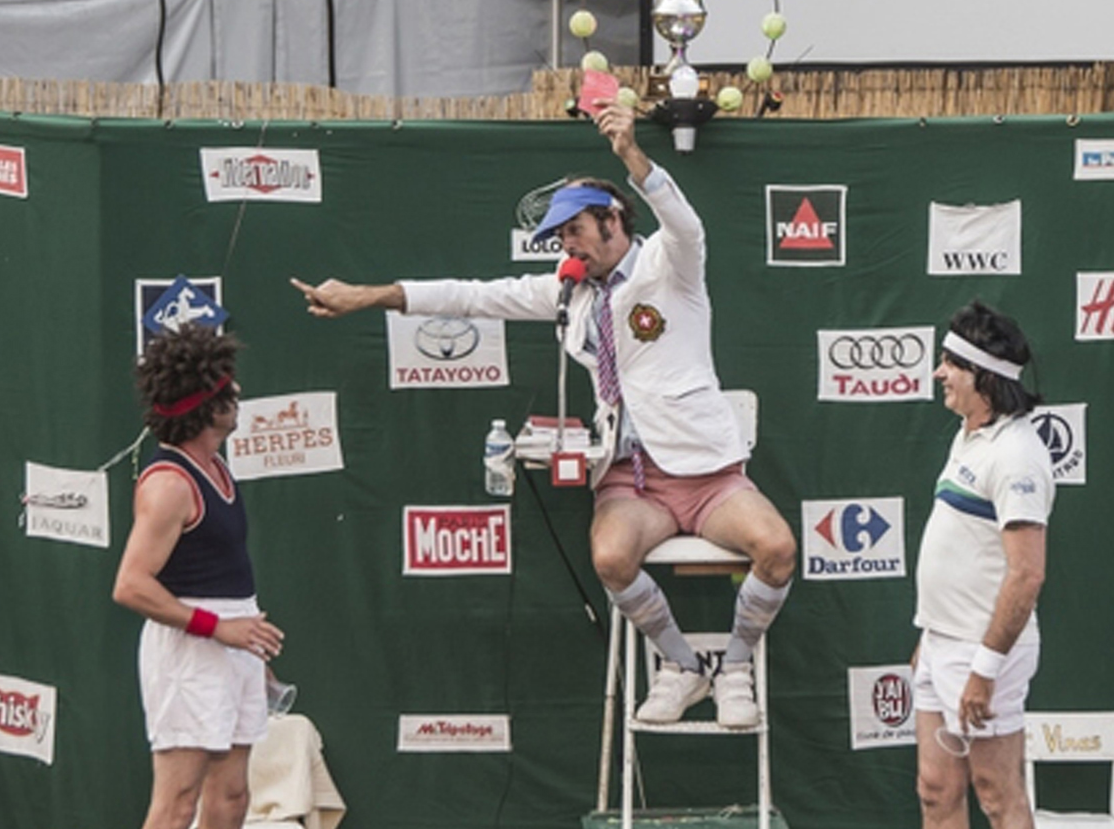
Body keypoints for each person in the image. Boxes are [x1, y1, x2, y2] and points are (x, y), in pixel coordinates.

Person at [290, 101, 795, 728]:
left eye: (574, 229)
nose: (566, 244)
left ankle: (736, 668)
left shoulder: (669, 266)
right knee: (611, 559)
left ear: (612, 220)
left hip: (706, 472)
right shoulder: (567, 293)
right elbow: (473, 297)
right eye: (558, 236)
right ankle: (682, 665)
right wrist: (369, 297)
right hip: (631, 477)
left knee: (777, 548)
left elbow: (685, 224)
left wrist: (631, 154)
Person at [112, 323, 334, 829]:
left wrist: (247, 645)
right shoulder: (168, 484)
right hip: (190, 655)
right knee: (174, 807)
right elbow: (130, 585)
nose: (238, 397)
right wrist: (221, 630)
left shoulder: (217, 467)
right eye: (228, 391)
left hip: (231, 650)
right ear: (205, 405)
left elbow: (222, 576)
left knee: (230, 800)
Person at [840, 300, 1054, 829]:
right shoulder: (969, 435)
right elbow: (962, 551)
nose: (938, 373)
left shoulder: (1018, 454)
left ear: (984, 376)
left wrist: (983, 670)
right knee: (936, 790)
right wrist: (927, 638)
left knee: (998, 793)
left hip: (985, 657)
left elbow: (1025, 575)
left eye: (951, 364)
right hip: (941, 646)